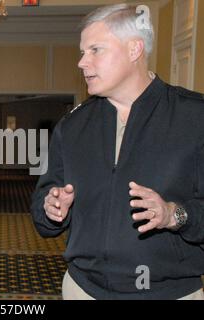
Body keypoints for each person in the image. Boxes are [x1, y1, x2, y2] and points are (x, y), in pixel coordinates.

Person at [31, 3, 204, 300]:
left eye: (95, 50)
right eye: (82, 52)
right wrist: (50, 209)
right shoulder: (72, 126)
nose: (82, 63)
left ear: (134, 49)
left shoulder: (194, 117)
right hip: (82, 290)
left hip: (167, 293)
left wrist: (175, 214)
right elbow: (42, 207)